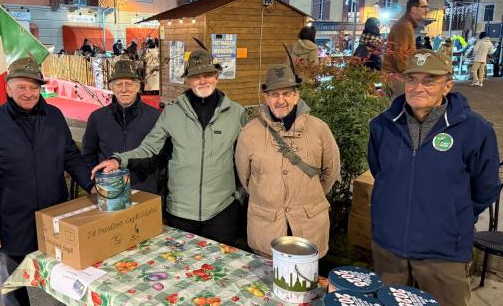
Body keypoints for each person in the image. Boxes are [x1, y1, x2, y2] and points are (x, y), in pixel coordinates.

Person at [0, 57, 96, 306]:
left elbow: (70, 155)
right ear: (9, 88)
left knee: (64, 268)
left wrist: (92, 184)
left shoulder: (54, 116)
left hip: (54, 214)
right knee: (13, 279)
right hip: (10, 218)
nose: (28, 93)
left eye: (34, 87)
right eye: (22, 87)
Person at [368, 49, 500, 306]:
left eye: (429, 80)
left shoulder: (475, 130)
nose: (419, 87)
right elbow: (380, 171)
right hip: (389, 249)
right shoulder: (383, 126)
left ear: (447, 85)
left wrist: (451, 218)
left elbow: (486, 188)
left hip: (443, 253)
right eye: (412, 79)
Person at [91, 48, 247, 244]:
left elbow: (245, 158)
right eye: (196, 76)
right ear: (187, 80)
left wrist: (239, 195)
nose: (202, 81)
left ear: (217, 77)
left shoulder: (236, 113)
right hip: (181, 212)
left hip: (222, 212)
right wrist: (118, 160)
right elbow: (149, 148)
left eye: (208, 75)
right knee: (180, 261)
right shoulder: (172, 113)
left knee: (222, 262)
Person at [235, 63, 340, 258]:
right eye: (274, 94)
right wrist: (268, 196)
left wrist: (307, 197)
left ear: (296, 95)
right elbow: (245, 177)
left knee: (305, 276)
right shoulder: (249, 132)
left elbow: (331, 172)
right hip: (266, 228)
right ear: (266, 98)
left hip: (309, 227)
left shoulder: (319, 129)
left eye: (287, 94)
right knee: (264, 276)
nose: (280, 100)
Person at [83, 60, 163, 194]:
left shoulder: (155, 117)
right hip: (110, 189)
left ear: (138, 87)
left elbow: (160, 155)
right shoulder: (97, 118)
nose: (124, 89)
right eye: (119, 84)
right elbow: (88, 155)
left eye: (129, 84)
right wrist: (94, 182)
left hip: (145, 190)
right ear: (112, 88)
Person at [383, 0, 429, 98]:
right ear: (413, 9)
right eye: (424, 7)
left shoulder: (407, 25)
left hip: (395, 77)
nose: (427, 10)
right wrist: (412, 77)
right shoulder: (405, 26)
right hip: (397, 78)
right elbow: (401, 56)